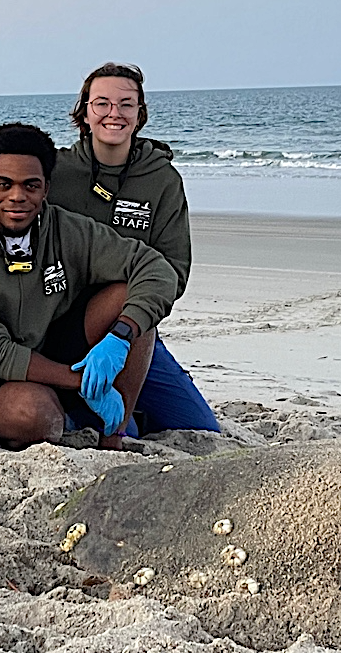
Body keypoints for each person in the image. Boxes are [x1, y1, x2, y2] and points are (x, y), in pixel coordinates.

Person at [0, 123, 179, 449]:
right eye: (4, 184)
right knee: (37, 415)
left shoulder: (64, 228)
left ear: (46, 188)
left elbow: (156, 268)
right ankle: (72, 410)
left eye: (31, 185)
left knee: (132, 300)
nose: (17, 196)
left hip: (47, 350)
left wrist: (120, 336)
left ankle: (114, 435)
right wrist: (85, 383)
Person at [49, 62, 219, 435]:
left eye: (126, 104)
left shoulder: (161, 179)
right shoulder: (55, 172)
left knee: (202, 430)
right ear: (84, 112)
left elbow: (174, 271)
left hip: (132, 330)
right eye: (102, 103)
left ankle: (133, 400)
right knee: (121, 431)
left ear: (140, 114)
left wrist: (123, 337)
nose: (114, 114)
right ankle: (98, 414)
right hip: (61, 327)